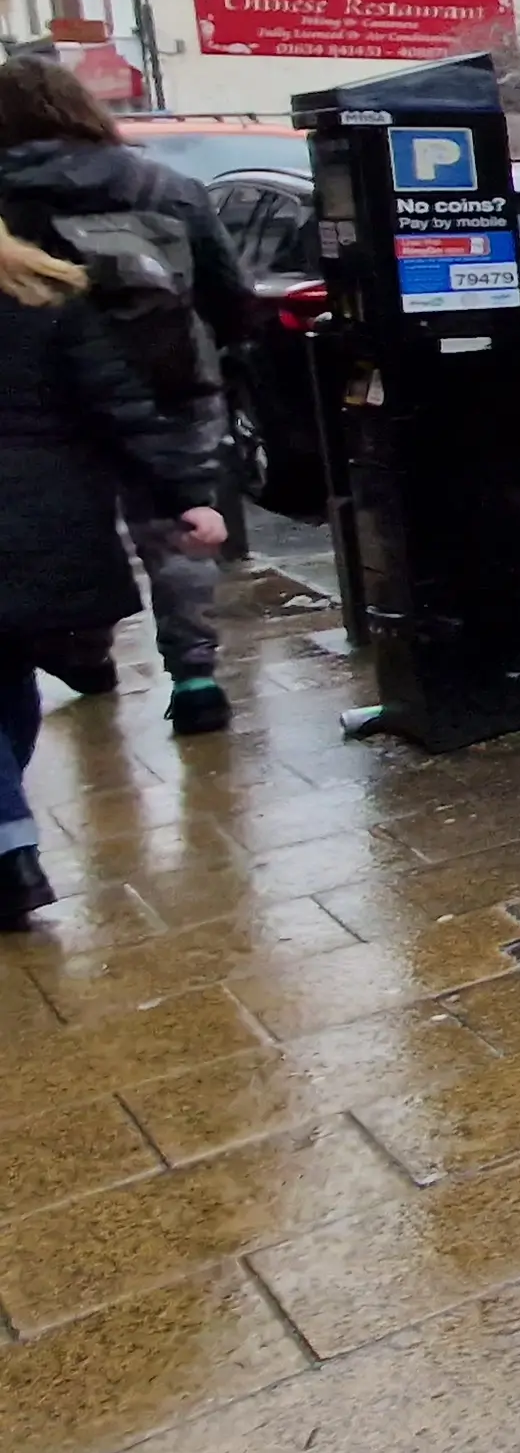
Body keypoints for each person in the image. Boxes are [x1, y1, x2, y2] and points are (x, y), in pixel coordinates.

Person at [0, 53, 250, 733]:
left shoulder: (7, 196)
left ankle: (83, 652)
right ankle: (195, 677)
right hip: (168, 378)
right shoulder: (162, 185)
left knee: (71, 524)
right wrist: (217, 355)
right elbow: (228, 294)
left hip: (41, 395)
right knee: (180, 524)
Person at [0, 226, 229, 925]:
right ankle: (9, 836)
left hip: (32, 514)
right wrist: (184, 494)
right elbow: (121, 409)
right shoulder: (46, 300)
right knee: (9, 673)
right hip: (46, 518)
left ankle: (9, 849)